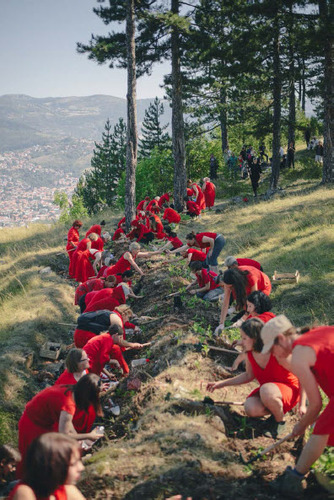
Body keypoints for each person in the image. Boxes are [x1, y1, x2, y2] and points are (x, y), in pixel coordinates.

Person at [260, 316, 334, 495]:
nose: (273, 355)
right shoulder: (316, 333)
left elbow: (316, 404)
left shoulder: (300, 352)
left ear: (281, 338)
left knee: (322, 428)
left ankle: (293, 481)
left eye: (272, 349)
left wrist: (301, 426)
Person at [207, 318, 300, 439]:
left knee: (266, 390)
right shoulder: (249, 353)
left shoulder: (276, 350)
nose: (242, 342)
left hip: (289, 389)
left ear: (256, 338)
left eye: (244, 338)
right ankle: (275, 411)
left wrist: (304, 401)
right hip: (270, 392)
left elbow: (302, 372)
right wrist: (221, 383)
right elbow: (248, 376)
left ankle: (279, 422)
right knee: (250, 408)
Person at [17, 374, 104, 473]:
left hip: (44, 422)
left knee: (43, 457)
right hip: (32, 424)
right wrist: (89, 436)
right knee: (29, 457)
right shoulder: (68, 405)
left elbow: (67, 423)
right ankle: (21, 482)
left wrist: (78, 437)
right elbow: (65, 434)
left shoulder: (71, 390)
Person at [9, 433, 85, 500]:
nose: (81, 467)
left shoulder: (66, 489)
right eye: (73, 464)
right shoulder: (25, 492)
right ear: (53, 466)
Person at [55, 349, 96, 434]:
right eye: (85, 359)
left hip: (86, 414)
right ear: (77, 363)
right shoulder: (65, 382)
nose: (89, 359)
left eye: (87, 356)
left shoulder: (84, 371)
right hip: (75, 420)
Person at [74, 305, 138, 349]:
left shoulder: (111, 313)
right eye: (128, 318)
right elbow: (119, 341)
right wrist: (132, 345)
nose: (128, 320)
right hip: (87, 336)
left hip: (78, 334)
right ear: (124, 314)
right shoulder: (117, 319)